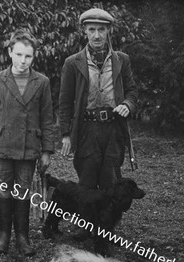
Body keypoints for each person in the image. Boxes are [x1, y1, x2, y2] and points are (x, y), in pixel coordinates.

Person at [0, 29, 54, 256]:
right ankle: (3, 236)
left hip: (28, 149)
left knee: (22, 191)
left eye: (28, 56)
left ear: (34, 57)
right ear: (10, 52)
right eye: (19, 54)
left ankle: (23, 237)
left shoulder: (41, 82)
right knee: (4, 191)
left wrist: (47, 151)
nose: (23, 61)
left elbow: (47, 119)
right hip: (2, 147)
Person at [59, 8, 138, 190]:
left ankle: (110, 220)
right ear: (84, 31)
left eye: (101, 30)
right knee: (86, 184)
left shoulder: (121, 60)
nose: (96, 35)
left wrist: (127, 105)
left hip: (113, 129)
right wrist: (66, 134)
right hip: (87, 130)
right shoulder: (72, 63)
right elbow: (64, 103)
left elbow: (132, 92)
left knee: (111, 185)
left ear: (108, 30)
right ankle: (87, 219)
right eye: (92, 29)